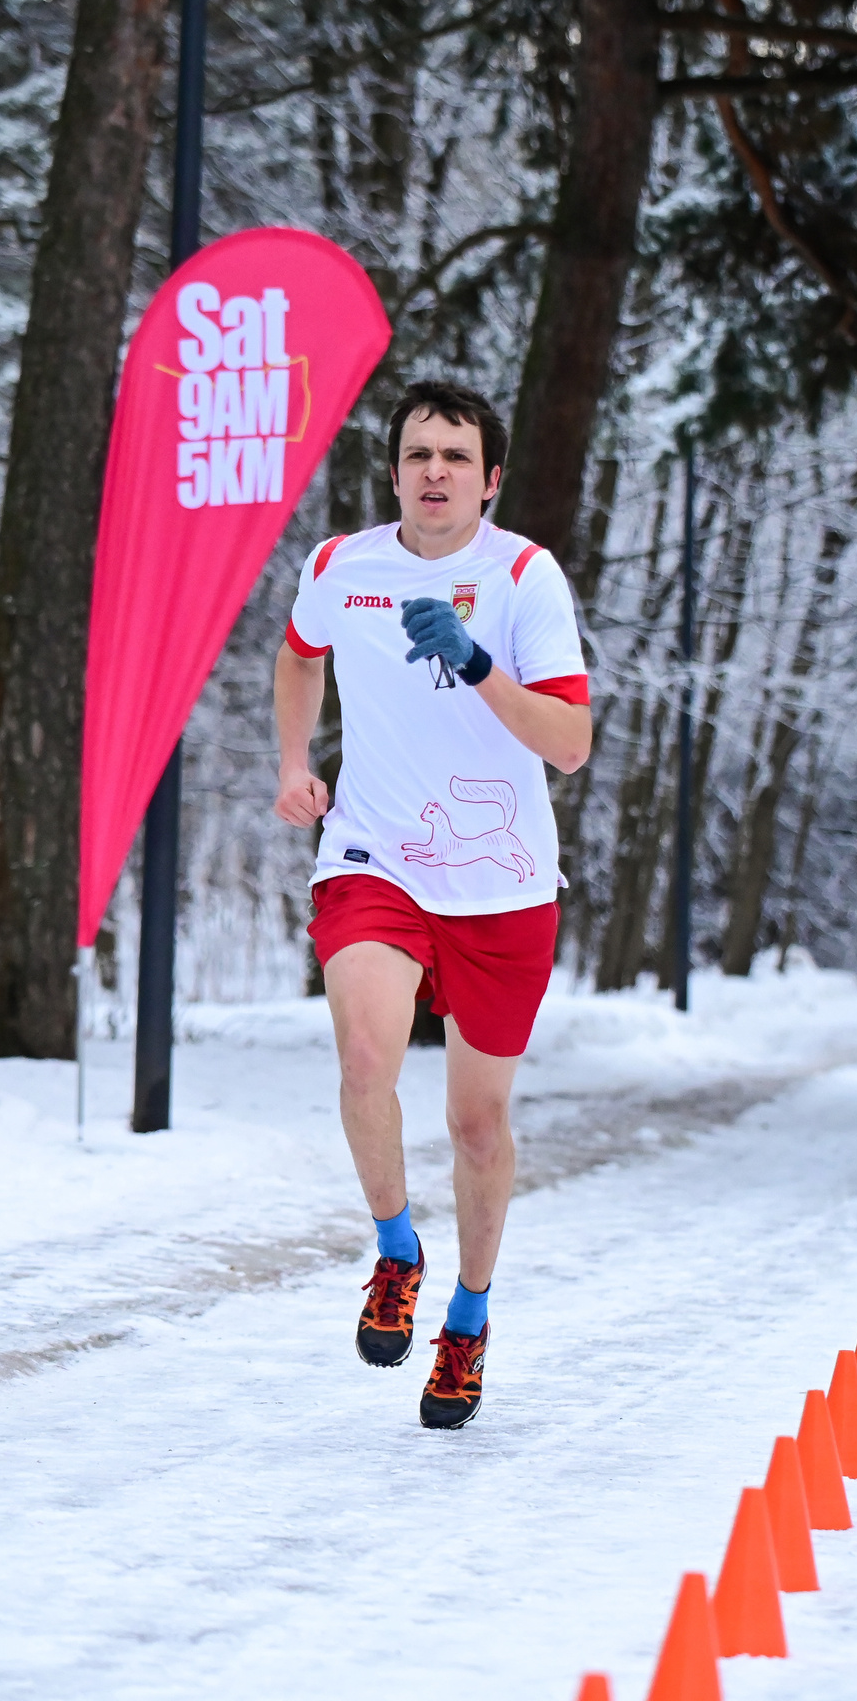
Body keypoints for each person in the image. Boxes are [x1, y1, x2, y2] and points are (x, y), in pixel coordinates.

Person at [272, 378, 592, 1429]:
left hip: (501, 885)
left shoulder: (522, 578)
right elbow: (297, 651)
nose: (436, 472)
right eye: (418, 454)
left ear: (490, 480)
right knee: (365, 1058)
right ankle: (396, 1250)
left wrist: (477, 665)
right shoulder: (341, 566)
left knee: (475, 1122)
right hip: (376, 854)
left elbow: (569, 743)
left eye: (457, 456)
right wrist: (293, 761)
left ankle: (467, 1319)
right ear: (396, 470)